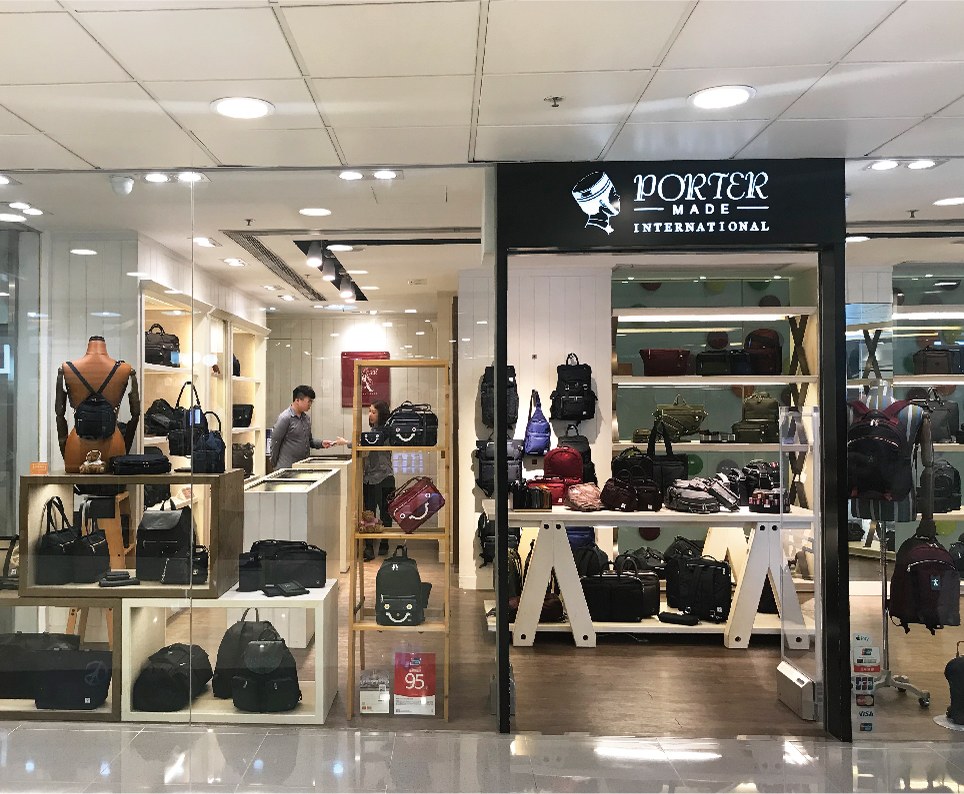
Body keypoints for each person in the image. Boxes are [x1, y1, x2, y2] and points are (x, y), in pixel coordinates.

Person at [269, 386, 340, 470]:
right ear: (297, 400)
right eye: (309, 401)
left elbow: (309, 441)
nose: (310, 404)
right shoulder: (285, 418)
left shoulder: (306, 419)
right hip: (286, 468)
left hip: (302, 467)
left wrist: (321, 443)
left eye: (311, 401)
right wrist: (273, 463)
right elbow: (275, 441)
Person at [362, 400, 395, 561]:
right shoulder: (372, 431)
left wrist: (346, 443)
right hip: (369, 477)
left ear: (381, 415)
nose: (370, 415)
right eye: (369, 411)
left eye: (373, 412)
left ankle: (384, 542)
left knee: (385, 512)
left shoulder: (386, 432)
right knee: (369, 513)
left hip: (385, 476)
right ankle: (369, 546)